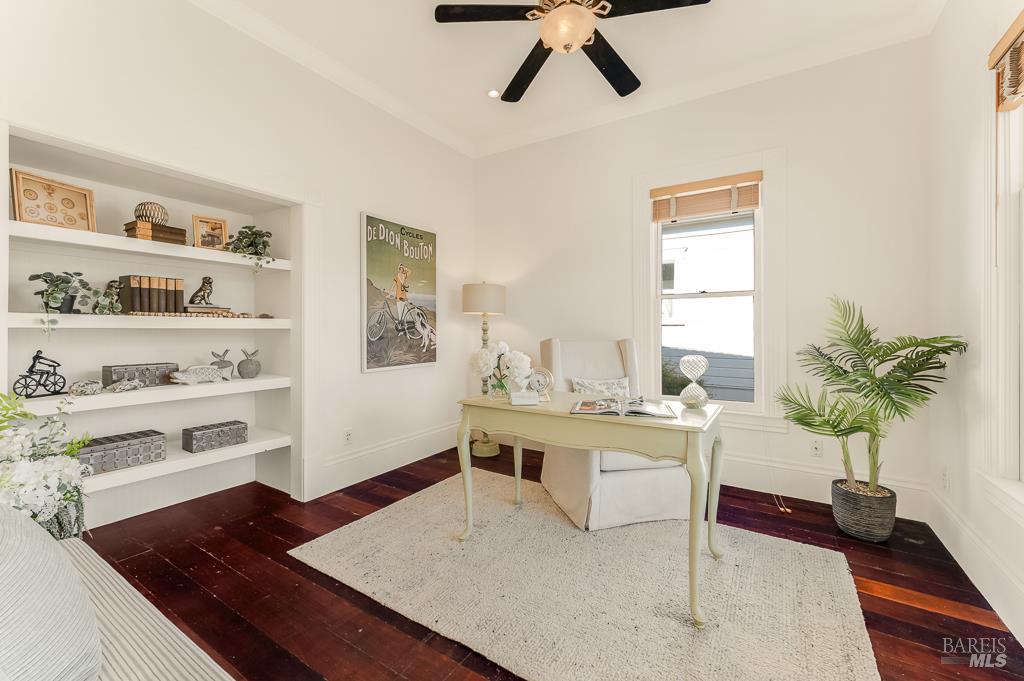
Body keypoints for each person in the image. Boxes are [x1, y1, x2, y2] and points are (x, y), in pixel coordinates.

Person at [392, 264, 411, 330]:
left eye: (402, 269)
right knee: (400, 313)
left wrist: (405, 268)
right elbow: (394, 285)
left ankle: (406, 327)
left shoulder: (404, 275)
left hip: (403, 296)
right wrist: (389, 292)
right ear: (398, 269)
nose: (401, 270)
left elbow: (410, 271)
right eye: (400, 268)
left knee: (405, 312)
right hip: (398, 296)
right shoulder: (397, 276)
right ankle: (402, 328)